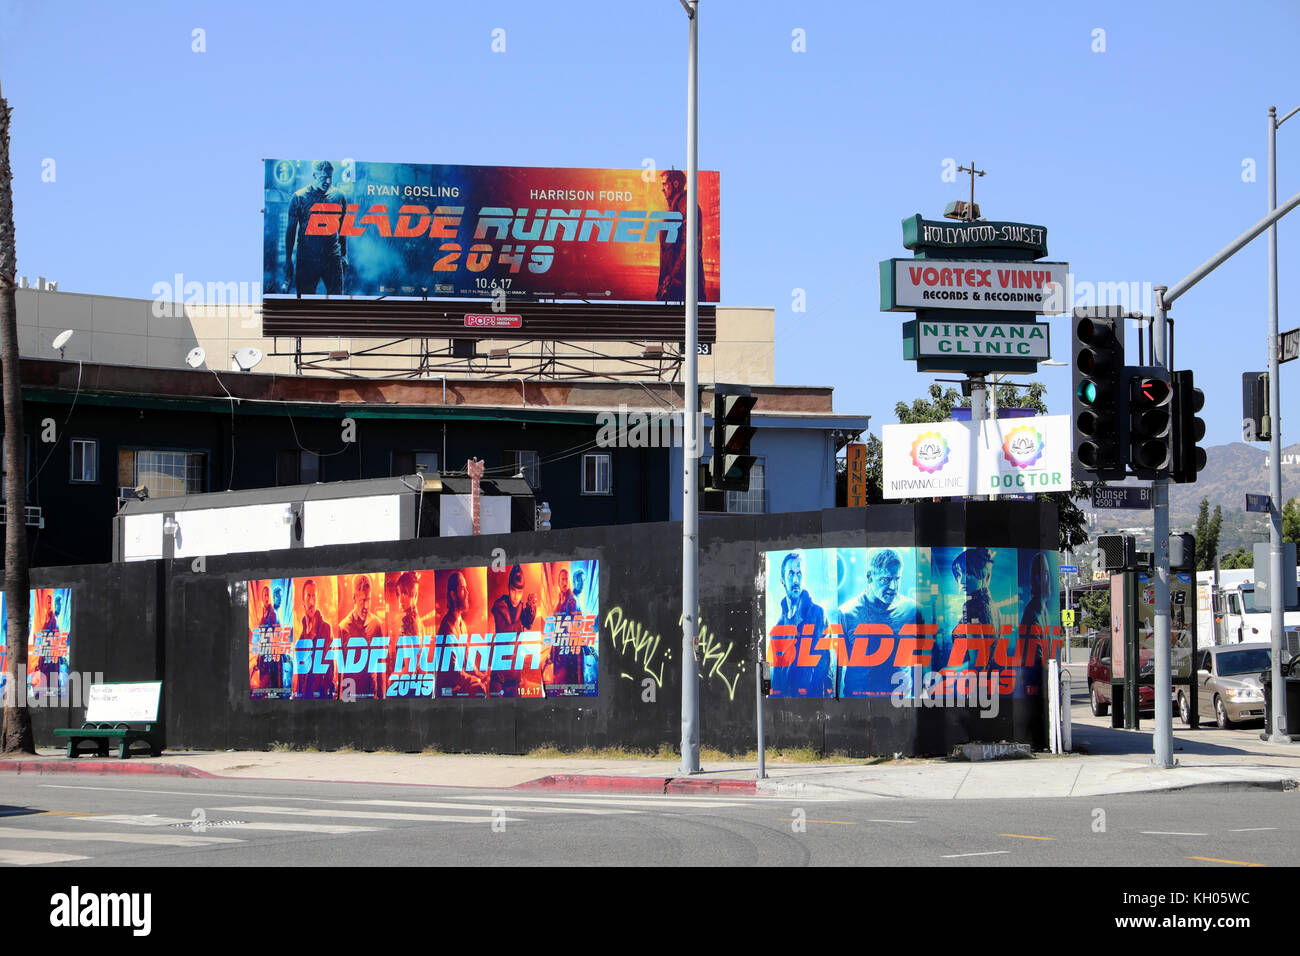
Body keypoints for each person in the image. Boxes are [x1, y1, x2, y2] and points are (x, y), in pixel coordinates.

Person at [834, 549, 925, 697]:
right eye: (886, 580)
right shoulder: (845, 614)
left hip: (902, 707)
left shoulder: (913, 611)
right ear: (869, 577)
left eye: (897, 579)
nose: (893, 587)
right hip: (859, 709)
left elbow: (920, 663)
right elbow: (837, 669)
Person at [284, 160, 348, 295]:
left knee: (338, 304)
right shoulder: (299, 197)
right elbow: (291, 231)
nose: (328, 181)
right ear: (314, 176)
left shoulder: (339, 196)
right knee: (305, 306)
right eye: (323, 178)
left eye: (330, 177)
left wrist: (344, 255)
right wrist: (288, 260)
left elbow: (342, 229)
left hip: (332, 258)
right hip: (307, 259)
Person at [772, 550, 830, 697]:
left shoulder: (817, 614)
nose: (796, 580)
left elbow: (824, 668)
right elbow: (776, 675)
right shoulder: (778, 626)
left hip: (810, 703)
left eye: (799, 574)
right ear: (782, 581)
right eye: (791, 574)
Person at [952, 548, 1010, 671]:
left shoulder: (972, 607)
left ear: (980, 572)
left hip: (973, 683)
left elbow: (977, 663)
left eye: (966, 573)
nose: (961, 581)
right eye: (958, 575)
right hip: (989, 682)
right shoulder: (994, 608)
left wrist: (945, 672)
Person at [656, 169, 707, 303]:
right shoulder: (676, 206)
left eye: (665, 184)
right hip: (676, 283)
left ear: (676, 184)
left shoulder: (686, 206)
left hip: (680, 284)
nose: (662, 189)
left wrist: (672, 278)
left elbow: (689, 246)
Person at [491, 565, 539, 697]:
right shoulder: (499, 605)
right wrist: (523, 621)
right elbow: (504, 633)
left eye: (519, 592)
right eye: (513, 591)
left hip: (514, 675)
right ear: (508, 588)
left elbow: (528, 624)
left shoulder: (520, 607)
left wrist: (531, 610)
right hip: (500, 674)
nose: (516, 596)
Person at [439, 571, 487, 698]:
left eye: (466, 588)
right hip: (449, 691)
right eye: (462, 589)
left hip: (460, 685)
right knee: (479, 690)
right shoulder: (447, 627)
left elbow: (468, 659)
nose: (467, 593)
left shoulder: (462, 624)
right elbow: (453, 670)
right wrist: (474, 680)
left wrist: (480, 675)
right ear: (453, 595)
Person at [338, 574, 384, 698]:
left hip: (372, 697)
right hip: (351, 698)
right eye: (362, 600)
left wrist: (382, 698)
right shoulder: (343, 628)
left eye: (369, 599)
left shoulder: (377, 625)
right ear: (354, 598)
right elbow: (340, 672)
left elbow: (381, 667)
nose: (366, 606)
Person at [293, 578, 336, 699]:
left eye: (314, 596)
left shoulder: (326, 629)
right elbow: (299, 672)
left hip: (320, 696)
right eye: (308, 596)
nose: (311, 601)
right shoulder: (300, 632)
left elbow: (330, 666)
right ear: (303, 601)